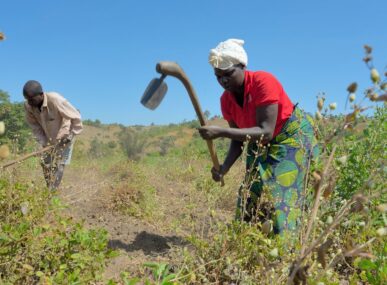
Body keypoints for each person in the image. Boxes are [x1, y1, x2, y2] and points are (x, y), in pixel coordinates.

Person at [198, 39, 318, 234]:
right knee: (249, 191)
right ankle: (244, 236)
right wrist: (224, 168)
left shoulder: (263, 81)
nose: (223, 81)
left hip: (288, 136)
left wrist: (220, 132)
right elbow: (238, 141)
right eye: (218, 76)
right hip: (257, 140)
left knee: (285, 194)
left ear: (242, 67)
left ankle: (287, 249)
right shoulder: (226, 101)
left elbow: (266, 131)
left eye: (228, 74)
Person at [23, 80, 83, 190]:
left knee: (59, 164)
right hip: (48, 138)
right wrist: (44, 143)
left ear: (41, 94)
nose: (29, 102)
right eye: (27, 99)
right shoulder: (28, 106)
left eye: (31, 99)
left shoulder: (55, 99)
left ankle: (52, 192)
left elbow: (75, 117)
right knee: (45, 163)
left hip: (65, 135)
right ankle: (49, 188)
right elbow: (35, 127)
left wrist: (71, 135)